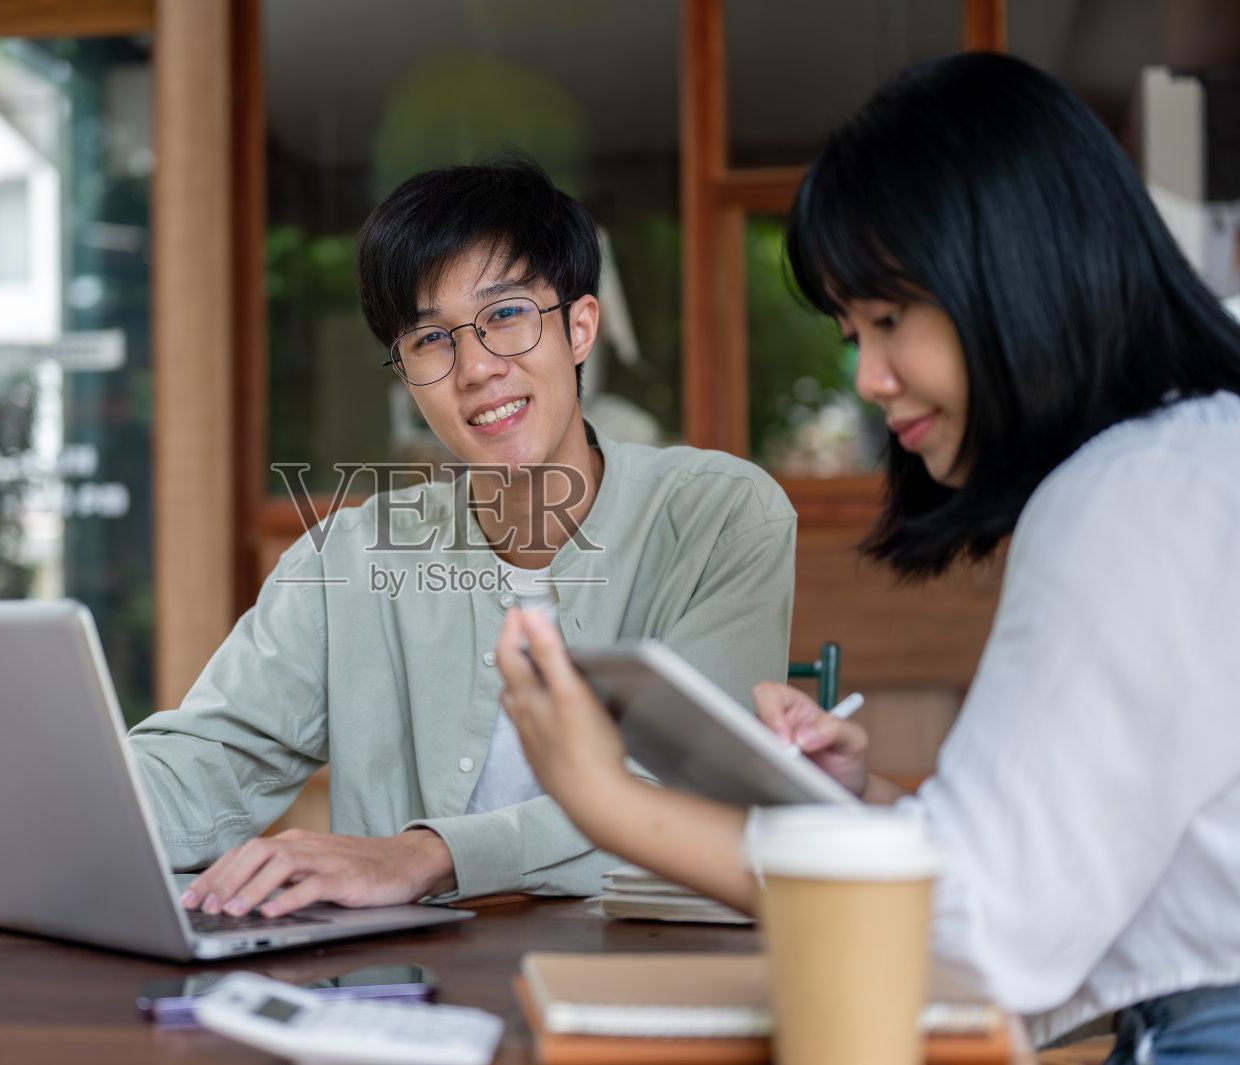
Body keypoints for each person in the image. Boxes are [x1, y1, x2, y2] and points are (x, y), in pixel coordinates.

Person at [0, 157, 798, 920]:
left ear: (579, 329)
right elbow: (210, 764)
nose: (477, 366)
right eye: (431, 339)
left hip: (651, 976)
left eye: (507, 317)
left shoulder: (718, 517)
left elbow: (689, 804)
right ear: (405, 377)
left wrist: (420, 855)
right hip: (403, 991)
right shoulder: (347, 556)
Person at [495, 52, 1240, 1062]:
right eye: (852, 331)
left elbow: (978, 932)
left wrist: (609, 799)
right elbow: (1074, 852)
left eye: (889, 320)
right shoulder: (1193, 459)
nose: (869, 378)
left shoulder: (1134, 495)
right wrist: (869, 801)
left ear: (1017, 264)